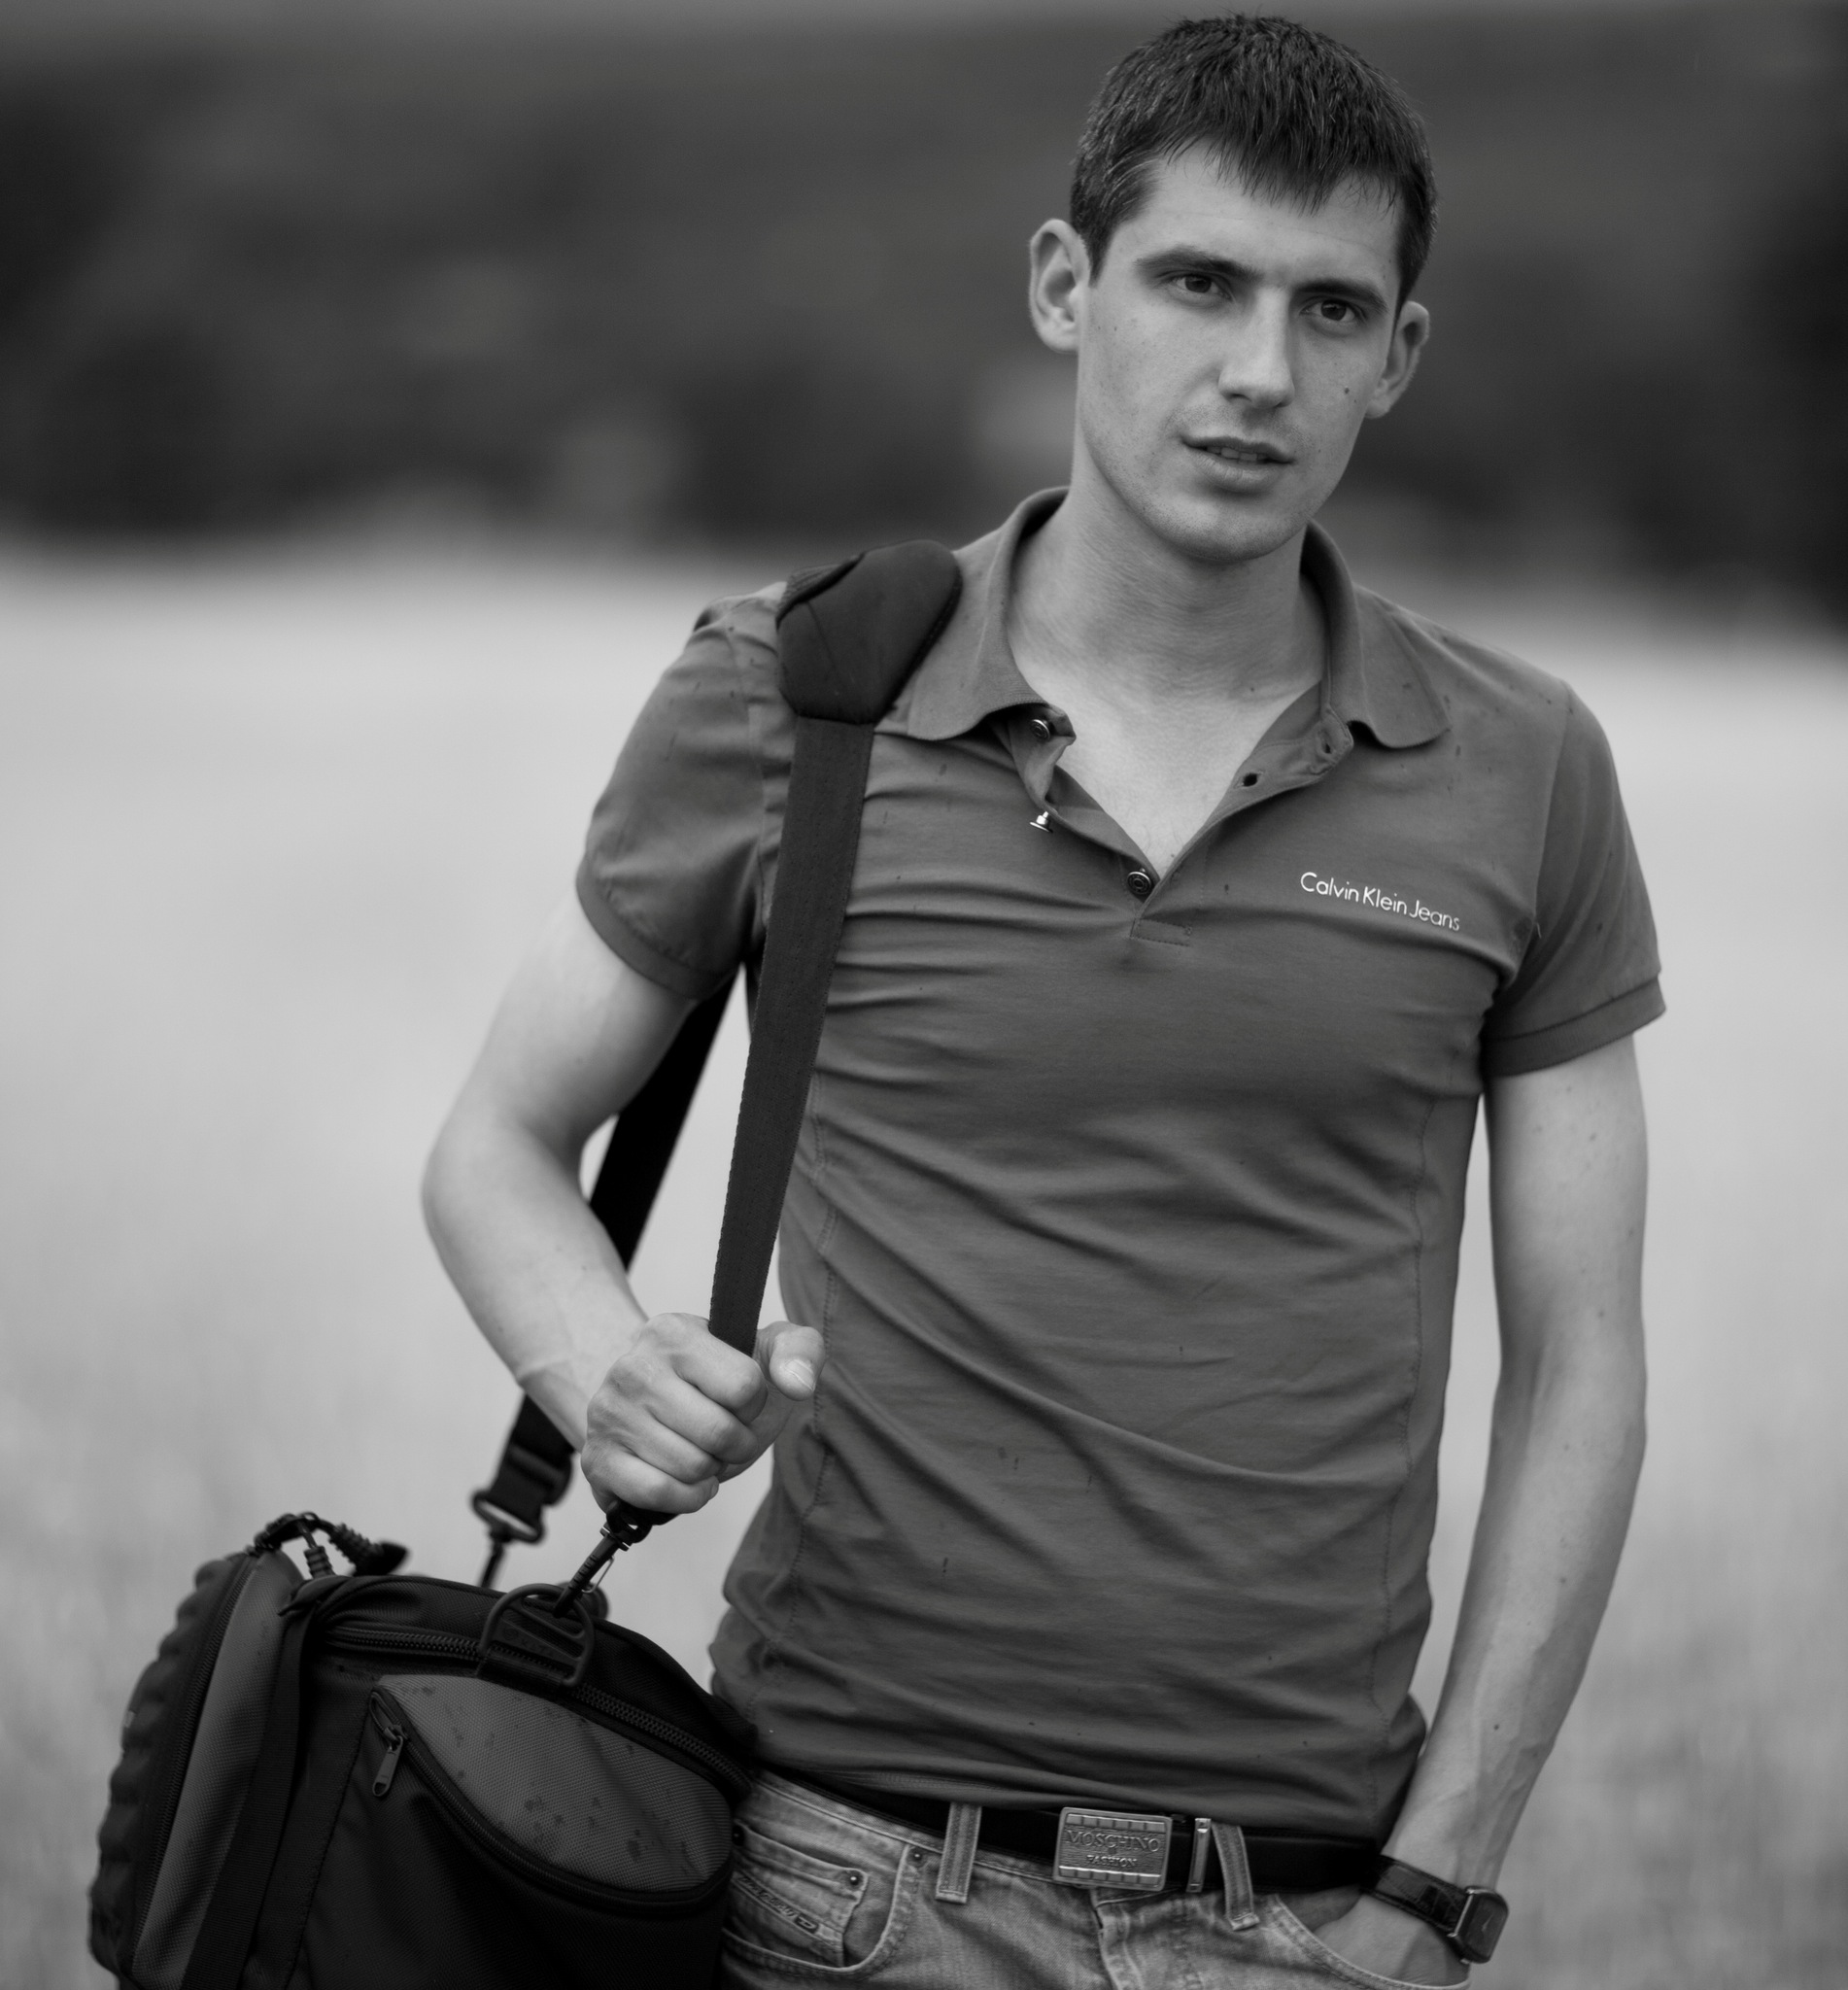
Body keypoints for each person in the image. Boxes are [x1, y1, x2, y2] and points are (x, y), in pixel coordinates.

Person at [423, 15, 1660, 1987]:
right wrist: (606, 1376)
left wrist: (1436, 1898)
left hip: (1307, 1913)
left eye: (1332, 310)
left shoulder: (1522, 766)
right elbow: (497, 1143)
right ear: (1066, 285)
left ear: (1399, 355)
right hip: (836, 1885)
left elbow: (1580, 1364)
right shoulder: (793, 695)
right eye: (1198, 283)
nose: (1260, 373)